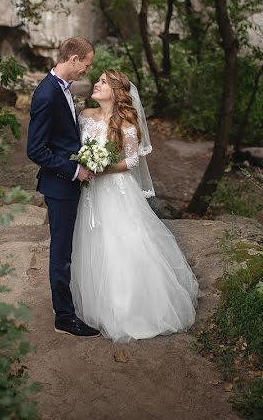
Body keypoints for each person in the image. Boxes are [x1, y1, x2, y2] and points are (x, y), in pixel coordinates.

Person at [71, 69, 198, 342]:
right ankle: (100, 305)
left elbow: (131, 161)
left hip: (116, 191)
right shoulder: (84, 116)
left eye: (103, 82)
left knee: (125, 242)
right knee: (95, 243)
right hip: (90, 192)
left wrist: (102, 167)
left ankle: (134, 307)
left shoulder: (126, 124)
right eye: (98, 80)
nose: (96, 83)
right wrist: (85, 164)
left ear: (117, 92)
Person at [26, 37, 101, 338]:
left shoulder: (63, 89)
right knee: (61, 253)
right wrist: (74, 170)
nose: (86, 69)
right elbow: (35, 149)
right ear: (73, 59)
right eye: (86, 63)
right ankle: (64, 318)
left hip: (66, 185)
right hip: (60, 186)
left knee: (67, 248)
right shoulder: (46, 94)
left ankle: (70, 307)